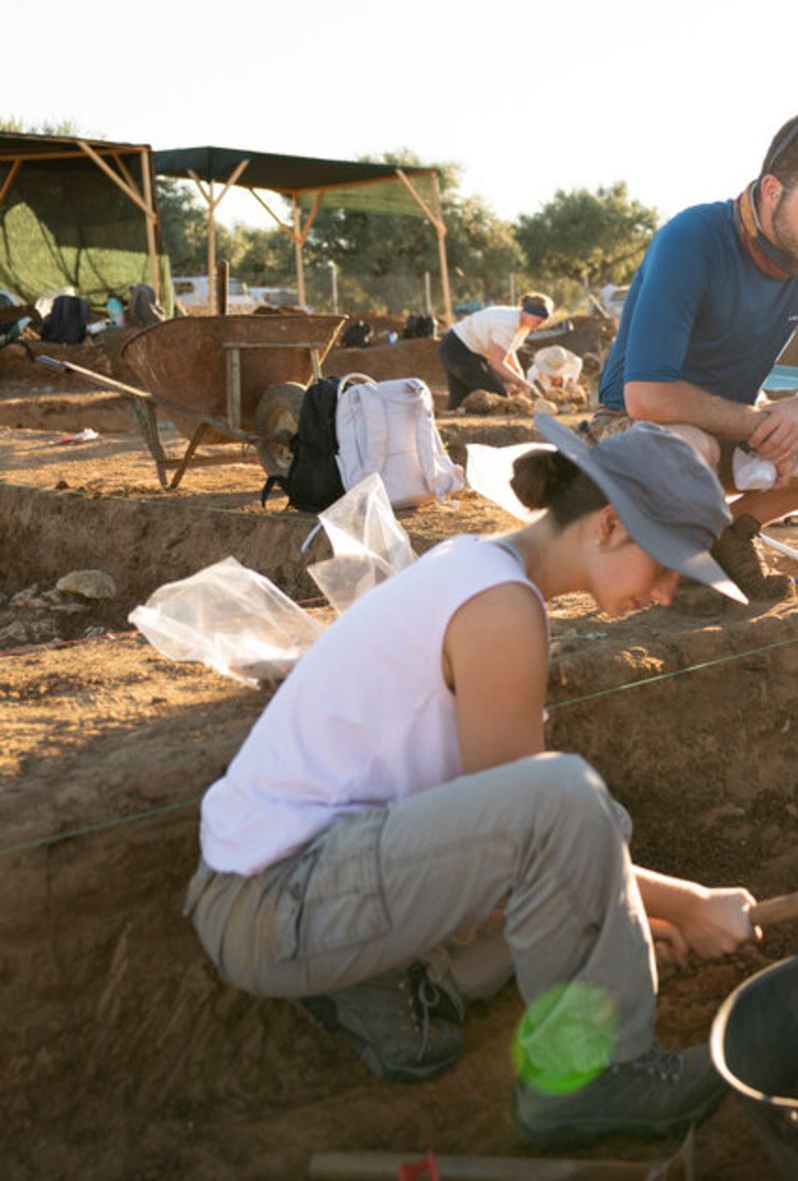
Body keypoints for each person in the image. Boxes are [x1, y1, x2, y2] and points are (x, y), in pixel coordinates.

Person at [183, 415, 760, 1147]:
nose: (669, 592)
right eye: (668, 565)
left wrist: (630, 920)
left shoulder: (476, 567)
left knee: (593, 843)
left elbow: (535, 849)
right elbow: (541, 821)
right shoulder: (500, 610)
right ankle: (590, 1079)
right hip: (270, 901)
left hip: (292, 884)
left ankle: (377, 990)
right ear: (611, 525)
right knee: (570, 804)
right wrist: (691, 903)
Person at [593, 110, 798, 602]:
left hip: (737, 436)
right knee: (687, 448)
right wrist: (760, 427)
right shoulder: (692, 239)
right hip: (634, 436)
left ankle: (733, 531)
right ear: (771, 191)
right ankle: (667, 556)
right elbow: (646, 396)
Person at [439, 293, 554, 409]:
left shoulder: (521, 322)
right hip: (459, 350)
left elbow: (508, 351)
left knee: (459, 400)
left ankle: (454, 423)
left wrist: (519, 376)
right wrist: (522, 383)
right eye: (538, 321)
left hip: (455, 346)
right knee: (497, 396)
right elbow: (497, 363)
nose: (538, 326)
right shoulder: (508, 324)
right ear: (528, 313)